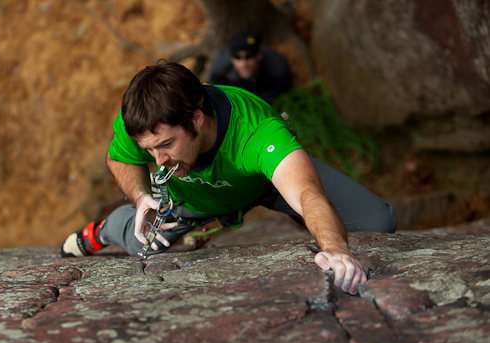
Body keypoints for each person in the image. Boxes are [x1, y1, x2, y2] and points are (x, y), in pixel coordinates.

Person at [61, 62, 397, 295]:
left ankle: (227, 221)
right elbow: (119, 157)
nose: (157, 160)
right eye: (149, 150)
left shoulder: (256, 130)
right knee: (143, 247)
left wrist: (336, 250)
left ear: (196, 119)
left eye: (166, 145)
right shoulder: (144, 120)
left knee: (376, 222)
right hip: (190, 197)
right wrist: (140, 196)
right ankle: (104, 230)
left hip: (264, 182)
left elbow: (307, 193)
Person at [208, 32, 292, 104]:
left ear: (259, 55)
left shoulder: (276, 68)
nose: (244, 63)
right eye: (238, 57)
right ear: (232, 59)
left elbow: (282, 89)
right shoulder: (219, 74)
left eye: (249, 56)